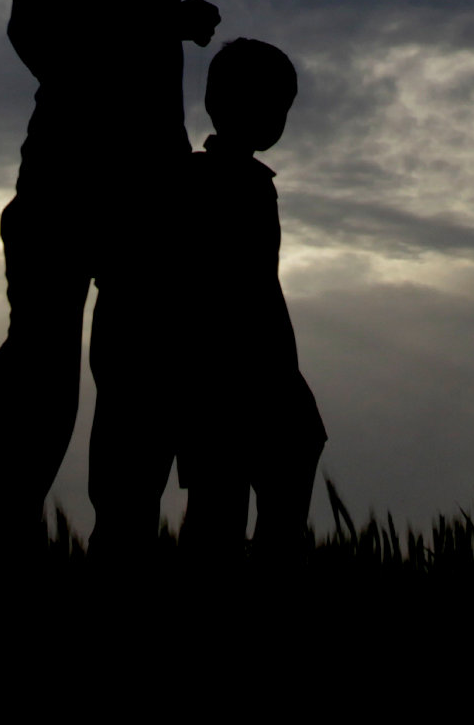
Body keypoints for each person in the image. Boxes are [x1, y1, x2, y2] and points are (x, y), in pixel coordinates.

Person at [0, 0, 247, 558]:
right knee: (41, 381)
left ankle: (115, 543)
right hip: (66, 203)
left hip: (139, 210)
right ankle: (5, 537)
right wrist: (162, 20)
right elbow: (59, 52)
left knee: (134, 387)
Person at [173, 37, 327, 559]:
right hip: (230, 373)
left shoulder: (239, 181)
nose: (275, 117)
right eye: (271, 103)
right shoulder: (211, 182)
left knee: (237, 497)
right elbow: (236, 289)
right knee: (221, 507)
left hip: (250, 370)